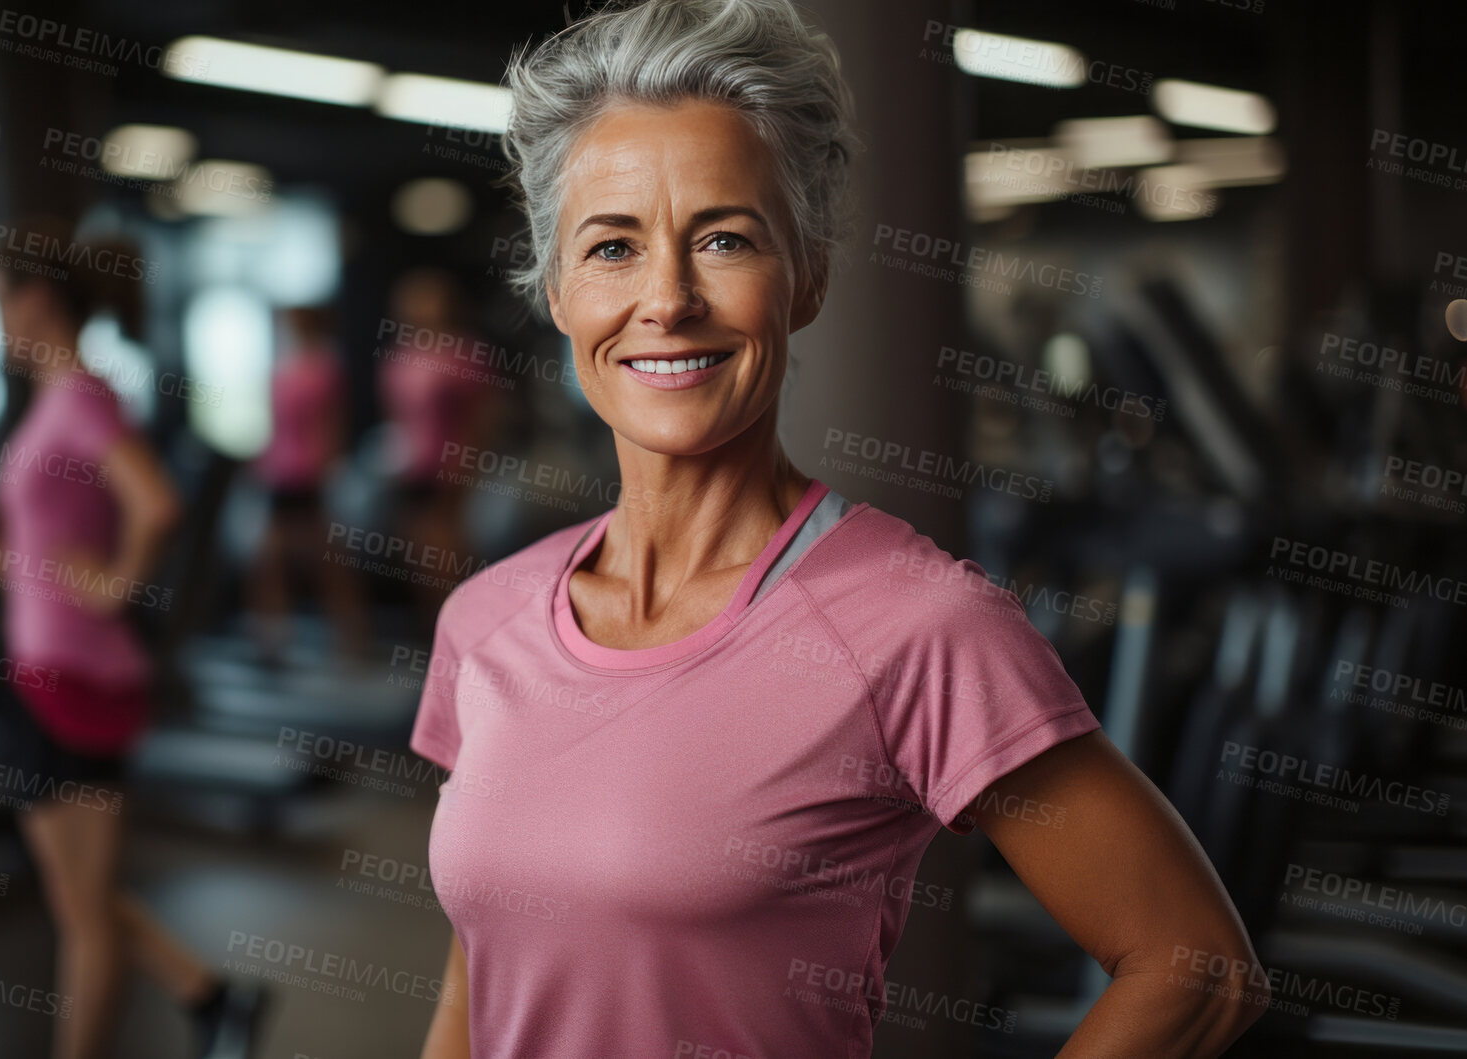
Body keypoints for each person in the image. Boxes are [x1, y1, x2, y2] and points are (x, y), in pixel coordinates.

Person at [411, 2, 1268, 1057]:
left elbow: (1196, 968)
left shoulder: (915, 624)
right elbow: (477, 978)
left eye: (723, 239)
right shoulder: (483, 620)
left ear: (805, 274)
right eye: (612, 247)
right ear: (556, 289)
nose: (667, 299)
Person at [0, 224, 266, 1059]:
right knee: (82, 895)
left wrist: (120, 579)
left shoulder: (79, 397)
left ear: (39, 300)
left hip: (72, 677)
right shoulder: (63, 397)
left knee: (82, 913)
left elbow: (156, 502)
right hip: (53, 663)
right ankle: (211, 996)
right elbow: (56, 553)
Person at [246, 304, 370, 665]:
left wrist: (328, 466)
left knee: (326, 561)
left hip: (308, 475)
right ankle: (272, 637)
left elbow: (333, 424)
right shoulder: (282, 369)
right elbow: (272, 427)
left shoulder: (323, 369)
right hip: (279, 475)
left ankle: (352, 634)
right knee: (270, 562)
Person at [376, 269, 492, 622]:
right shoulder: (400, 358)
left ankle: (465, 627)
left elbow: (484, 418)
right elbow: (396, 418)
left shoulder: (465, 354)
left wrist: (469, 464)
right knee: (416, 552)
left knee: (449, 551)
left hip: (452, 466)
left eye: (429, 299)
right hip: (410, 467)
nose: (422, 307)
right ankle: (432, 628)